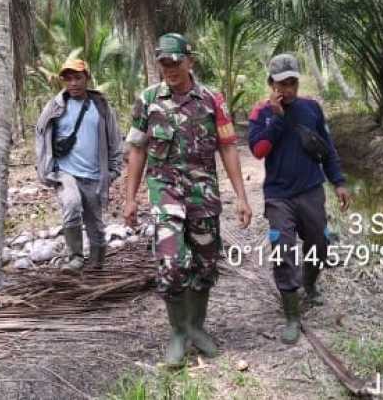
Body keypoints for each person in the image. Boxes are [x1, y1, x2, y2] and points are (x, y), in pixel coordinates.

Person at [124, 33, 252, 366]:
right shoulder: (148, 99)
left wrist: (241, 196)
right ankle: (178, 332)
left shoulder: (212, 99)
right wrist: (130, 198)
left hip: (203, 192)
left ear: (189, 61)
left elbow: (227, 147)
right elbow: (137, 149)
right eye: (164, 63)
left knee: (205, 261)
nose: (170, 69)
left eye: (175, 62)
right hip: (165, 190)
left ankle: (197, 327)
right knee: (171, 261)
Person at [247, 53, 352, 345]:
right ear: (271, 83)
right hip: (279, 195)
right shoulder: (260, 113)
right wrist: (277, 121)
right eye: (281, 83)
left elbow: (327, 148)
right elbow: (258, 150)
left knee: (319, 243)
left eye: (292, 82)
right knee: (282, 248)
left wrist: (339, 181)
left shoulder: (312, 109)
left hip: (311, 190)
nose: (287, 89)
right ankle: (292, 314)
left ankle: (310, 284)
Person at [36, 58, 123, 271]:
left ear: (87, 78)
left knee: (95, 223)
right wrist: (45, 168)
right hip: (65, 172)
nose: (73, 83)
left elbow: (114, 138)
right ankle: (75, 257)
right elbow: (40, 134)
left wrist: (113, 169)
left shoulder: (100, 106)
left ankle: (96, 263)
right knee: (72, 204)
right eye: (68, 79)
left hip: (94, 174)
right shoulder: (56, 106)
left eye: (77, 78)